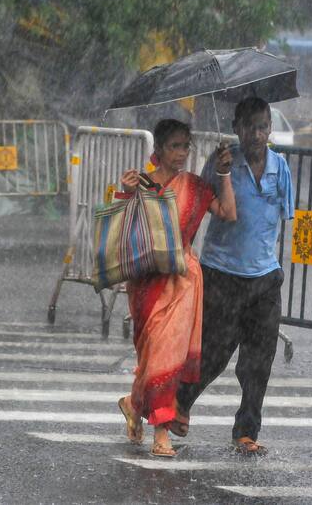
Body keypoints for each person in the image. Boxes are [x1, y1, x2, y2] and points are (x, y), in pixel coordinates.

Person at [173, 97, 294, 455]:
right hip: (222, 272)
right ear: (237, 128)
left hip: (265, 277)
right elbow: (202, 208)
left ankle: (246, 430)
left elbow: (283, 215)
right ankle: (180, 404)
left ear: (269, 129)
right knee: (214, 352)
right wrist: (222, 172)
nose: (257, 134)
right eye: (250, 126)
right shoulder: (222, 162)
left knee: (259, 361)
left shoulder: (280, 167)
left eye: (263, 126)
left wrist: (273, 265)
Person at [116, 119, 236, 457]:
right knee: (152, 355)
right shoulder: (142, 183)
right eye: (174, 146)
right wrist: (125, 192)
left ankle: (161, 432)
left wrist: (223, 174)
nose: (181, 153)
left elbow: (228, 212)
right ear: (158, 150)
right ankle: (132, 402)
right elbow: (123, 233)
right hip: (146, 283)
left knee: (166, 356)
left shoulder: (196, 187)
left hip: (182, 280)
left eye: (186, 146)